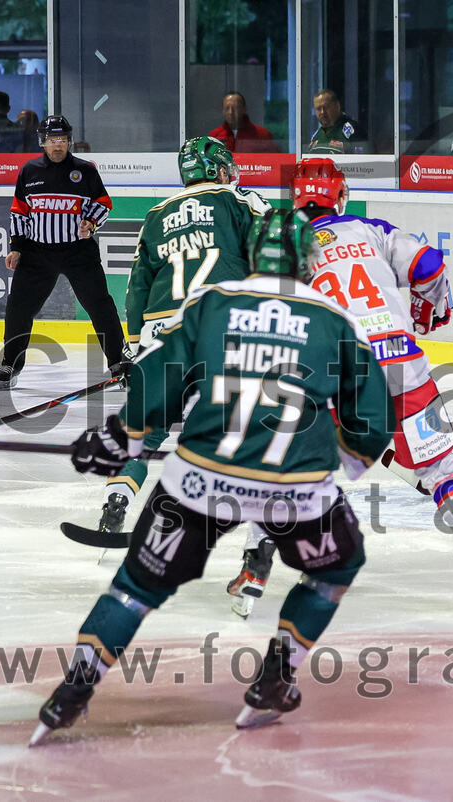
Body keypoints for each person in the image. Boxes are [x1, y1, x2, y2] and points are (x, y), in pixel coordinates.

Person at [33, 208, 394, 744]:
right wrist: (348, 463)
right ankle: (277, 677)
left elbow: (160, 380)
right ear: (308, 261)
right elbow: (372, 419)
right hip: (295, 491)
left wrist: (121, 439)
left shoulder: (214, 303)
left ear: (252, 254)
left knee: (134, 587)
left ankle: (72, 694)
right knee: (337, 567)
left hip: (200, 479)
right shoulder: (335, 320)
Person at [225, 158, 453, 616]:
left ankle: (256, 569)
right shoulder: (371, 230)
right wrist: (424, 312)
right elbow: (431, 266)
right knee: (439, 468)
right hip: (403, 366)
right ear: (340, 197)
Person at [83, 135, 269, 538]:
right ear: (220, 170)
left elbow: (136, 287)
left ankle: (116, 501)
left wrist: (132, 347)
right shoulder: (241, 201)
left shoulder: (156, 214)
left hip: (160, 330)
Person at [0, 115, 126, 390]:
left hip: (79, 252)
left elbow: (103, 203)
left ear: (69, 141)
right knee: (19, 307)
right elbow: (20, 211)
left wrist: (90, 222)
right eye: (53, 140)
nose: (58, 146)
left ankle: (118, 362)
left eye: (63, 140)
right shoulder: (29, 171)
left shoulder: (85, 170)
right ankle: (10, 362)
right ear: (43, 142)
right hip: (36, 253)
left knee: (100, 305)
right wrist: (16, 247)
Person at [208, 91, 278, 153]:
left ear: (244, 109)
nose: (231, 112)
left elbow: (274, 162)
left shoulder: (262, 135)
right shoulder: (214, 136)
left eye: (235, 107)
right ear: (223, 111)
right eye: (227, 108)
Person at [308, 89, 366, 154]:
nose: (322, 112)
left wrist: (347, 148)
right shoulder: (316, 136)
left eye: (326, 107)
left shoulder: (351, 130)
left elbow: (364, 152)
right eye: (318, 109)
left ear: (337, 106)